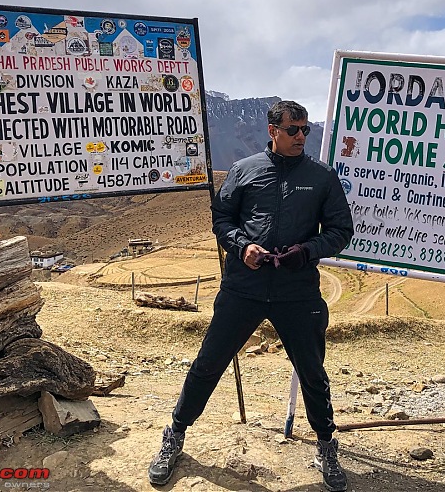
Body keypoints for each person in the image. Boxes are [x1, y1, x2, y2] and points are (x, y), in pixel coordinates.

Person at [148, 100, 354, 491]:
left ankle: (327, 446)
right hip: (243, 287)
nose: (300, 136)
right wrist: (242, 246)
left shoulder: (322, 176)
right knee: (208, 364)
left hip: (297, 291)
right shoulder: (244, 170)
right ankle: (175, 435)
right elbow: (221, 219)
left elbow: (341, 231)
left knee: (312, 372)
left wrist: (307, 251)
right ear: (272, 130)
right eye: (293, 129)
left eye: (305, 129)